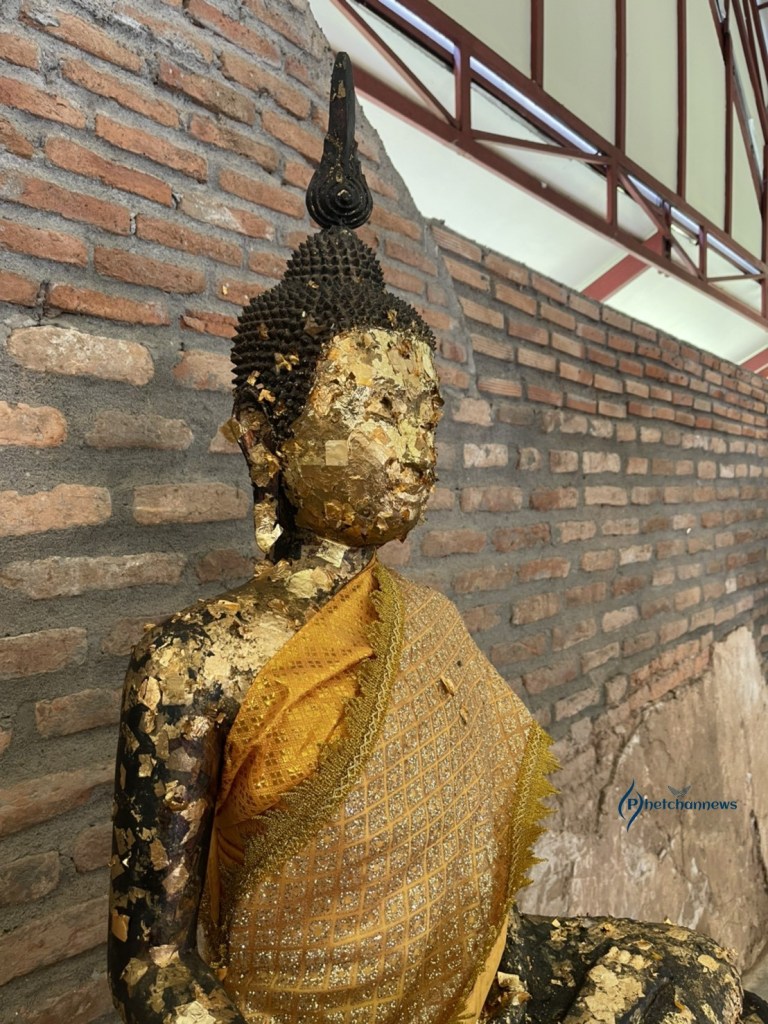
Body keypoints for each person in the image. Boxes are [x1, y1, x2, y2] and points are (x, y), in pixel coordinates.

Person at [108, 53, 767, 1024]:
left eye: (426, 413)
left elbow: (453, 869)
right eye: (377, 407)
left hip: (469, 970)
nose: (414, 445)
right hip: (307, 1004)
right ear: (264, 436)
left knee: (704, 974)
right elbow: (152, 966)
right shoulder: (191, 664)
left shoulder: (425, 622)